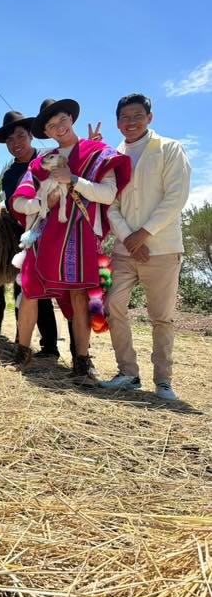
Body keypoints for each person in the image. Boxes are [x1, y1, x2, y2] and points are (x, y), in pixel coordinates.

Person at [10, 98, 132, 384]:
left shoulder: (99, 152)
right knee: (29, 293)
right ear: (47, 133)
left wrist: (73, 179)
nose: (59, 127)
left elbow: (107, 194)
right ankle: (22, 354)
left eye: (62, 120)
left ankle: (81, 362)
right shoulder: (41, 163)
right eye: (52, 126)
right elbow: (18, 203)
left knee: (79, 296)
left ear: (71, 118)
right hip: (43, 237)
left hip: (80, 237)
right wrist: (44, 201)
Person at [100, 94, 191, 400]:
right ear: (117, 121)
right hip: (125, 251)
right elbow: (110, 204)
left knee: (161, 316)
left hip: (163, 249)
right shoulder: (114, 156)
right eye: (124, 117)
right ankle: (128, 373)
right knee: (113, 305)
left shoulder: (169, 149)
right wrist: (130, 238)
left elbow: (176, 197)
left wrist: (144, 234)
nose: (131, 122)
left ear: (149, 117)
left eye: (137, 115)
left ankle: (163, 381)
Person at [0, 110, 62, 356]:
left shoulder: (49, 161)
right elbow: (16, 207)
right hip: (24, 238)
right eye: (10, 140)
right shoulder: (10, 175)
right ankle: (27, 343)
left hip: (57, 234)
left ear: (31, 136)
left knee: (62, 293)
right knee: (24, 289)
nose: (15, 143)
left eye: (20, 136)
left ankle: (63, 349)